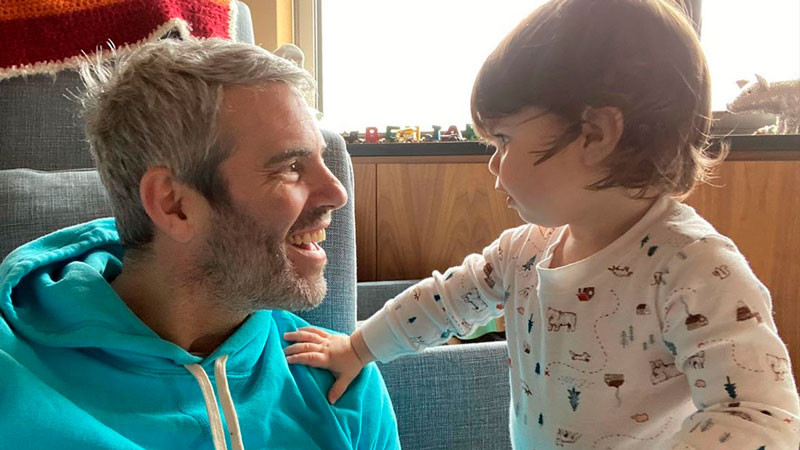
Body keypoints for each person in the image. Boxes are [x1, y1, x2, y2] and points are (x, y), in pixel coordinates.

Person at [283, 0, 800, 448]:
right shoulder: (524, 251)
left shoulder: (695, 268)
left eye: (504, 140)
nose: (493, 165)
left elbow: (760, 417)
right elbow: (442, 302)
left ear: (596, 134)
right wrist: (357, 347)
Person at [0, 38, 400, 449]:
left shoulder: (340, 381)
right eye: (291, 167)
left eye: (321, 159)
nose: (337, 194)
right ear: (174, 205)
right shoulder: (12, 382)